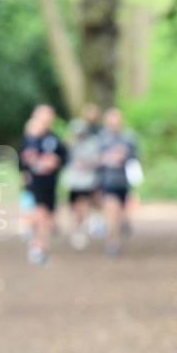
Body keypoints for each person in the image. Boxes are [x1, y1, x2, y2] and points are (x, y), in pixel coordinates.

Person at [19, 105, 68, 265]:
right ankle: (38, 248)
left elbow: (65, 157)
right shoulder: (28, 138)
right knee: (40, 213)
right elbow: (21, 161)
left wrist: (56, 161)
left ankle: (40, 245)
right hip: (34, 184)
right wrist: (25, 173)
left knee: (47, 217)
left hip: (50, 184)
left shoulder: (54, 139)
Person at [97, 107, 138, 258]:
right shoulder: (100, 138)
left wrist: (124, 156)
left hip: (124, 182)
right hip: (108, 181)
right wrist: (108, 159)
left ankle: (121, 228)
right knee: (111, 211)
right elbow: (94, 159)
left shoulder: (129, 138)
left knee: (120, 212)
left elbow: (135, 158)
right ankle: (112, 243)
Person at [65, 103, 103, 250]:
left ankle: (90, 225)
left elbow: (96, 159)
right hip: (75, 179)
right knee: (76, 206)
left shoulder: (94, 140)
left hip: (89, 179)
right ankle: (79, 229)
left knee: (89, 202)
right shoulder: (72, 141)